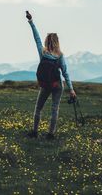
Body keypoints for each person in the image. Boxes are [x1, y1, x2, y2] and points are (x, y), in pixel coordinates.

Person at [26, 11, 76, 140]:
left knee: (38, 107)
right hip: (57, 85)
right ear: (57, 42)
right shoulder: (60, 55)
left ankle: (35, 132)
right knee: (55, 108)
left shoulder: (43, 52)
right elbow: (65, 72)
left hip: (45, 85)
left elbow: (36, 37)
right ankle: (51, 134)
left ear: (47, 41)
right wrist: (71, 89)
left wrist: (31, 21)